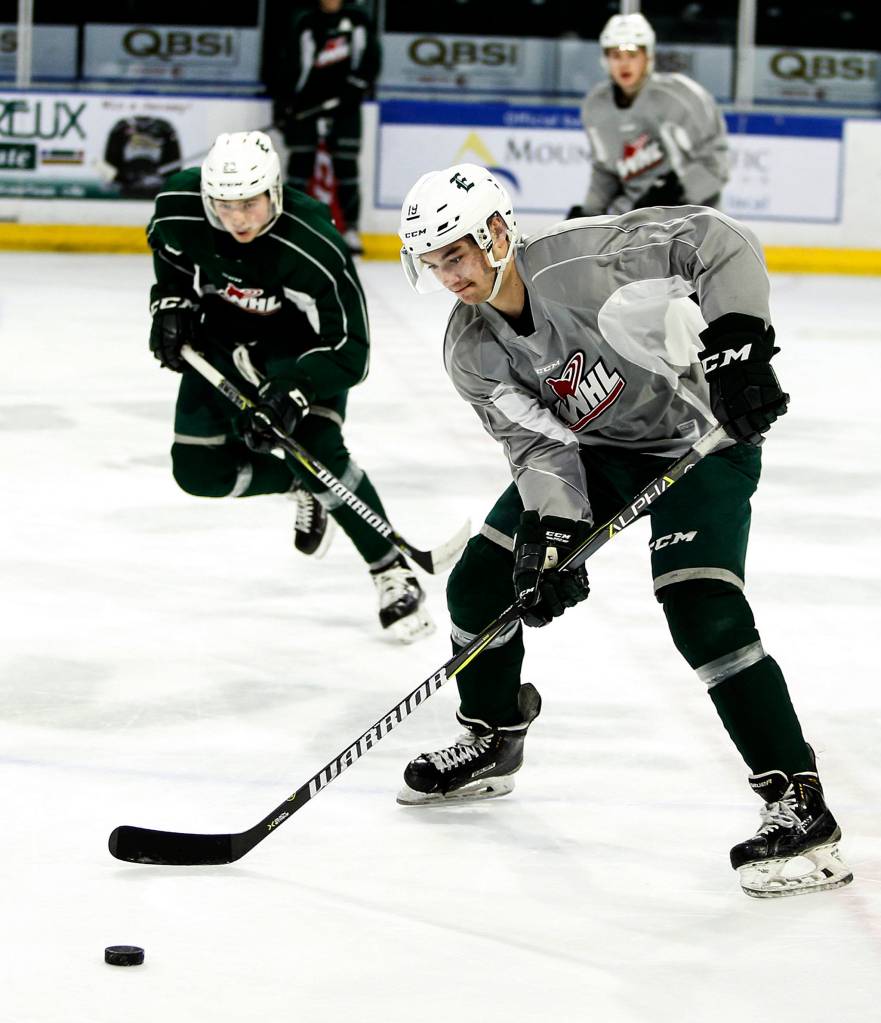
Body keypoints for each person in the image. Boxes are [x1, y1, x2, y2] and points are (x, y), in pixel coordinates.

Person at [393, 162, 852, 898]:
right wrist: (552, 532)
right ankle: (491, 735)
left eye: (456, 252)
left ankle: (798, 803)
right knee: (480, 581)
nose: (448, 274)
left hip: (700, 437)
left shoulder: (585, 259)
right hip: (602, 454)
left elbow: (717, 238)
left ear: (497, 233)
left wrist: (738, 345)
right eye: (433, 260)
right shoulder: (469, 349)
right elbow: (540, 447)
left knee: (699, 605)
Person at [146, 130, 433, 643]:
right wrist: (169, 302)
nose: (237, 219)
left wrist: (294, 389)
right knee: (197, 470)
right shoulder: (180, 206)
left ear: (275, 191)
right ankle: (296, 482)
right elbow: (167, 250)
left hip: (301, 351)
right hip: (221, 340)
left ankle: (392, 570)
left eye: (250, 204)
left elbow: (351, 345)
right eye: (224, 204)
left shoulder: (311, 240)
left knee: (319, 450)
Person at [567, 12, 729, 219]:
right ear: (606, 60)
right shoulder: (596, 107)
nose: (624, 64)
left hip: (692, 220)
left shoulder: (682, 97)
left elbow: (716, 164)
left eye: (632, 55)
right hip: (635, 223)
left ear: (648, 56)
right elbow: (605, 172)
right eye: (616, 56)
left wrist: (675, 196)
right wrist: (587, 216)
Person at [267, 0, 381, 255]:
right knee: (299, 165)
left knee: (346, 167)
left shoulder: (357, 21)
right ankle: (291, 225)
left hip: (345, 108)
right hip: (307, 107)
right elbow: (292, 64)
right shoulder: (306, 21)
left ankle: (351, 230)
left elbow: (370, 60)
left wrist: (355, 88)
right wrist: (285, 105)